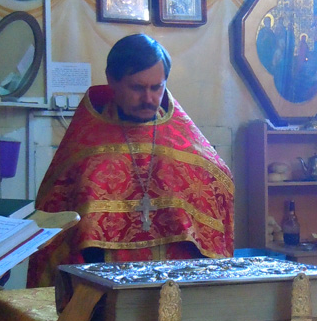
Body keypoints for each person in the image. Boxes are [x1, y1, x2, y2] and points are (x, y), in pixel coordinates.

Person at [27, 34, 234, 285]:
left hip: (178, 284)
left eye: (156, 87)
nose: (148, 98)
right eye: (137, 88)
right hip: (101, 287)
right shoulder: (85, 148)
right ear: (111, 80)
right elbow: (56, 222)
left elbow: (218, 196)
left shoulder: (189, 149)